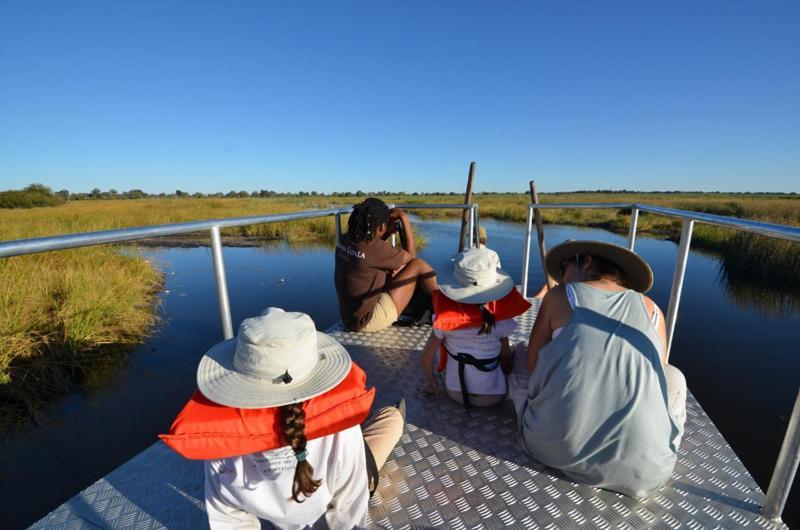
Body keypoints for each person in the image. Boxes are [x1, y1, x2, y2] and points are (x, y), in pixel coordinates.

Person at [161, 308, 404, 529]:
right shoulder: (341, 432)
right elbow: (348, 506)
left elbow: (228, 517)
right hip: (343, 465)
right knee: (389, 420)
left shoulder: (220, 441)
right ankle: (393, 413)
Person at [509, 240, 687, 498]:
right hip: (645, 471)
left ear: (586, 260)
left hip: (553, 448)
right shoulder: (652, 309)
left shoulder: (560, 295)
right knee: (673, 376)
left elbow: (534, 367)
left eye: (564, 268)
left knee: (521, 353)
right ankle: (653, 439)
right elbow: (655, 377)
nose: (560, 278)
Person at [420, 247, 531, 409]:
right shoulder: (501, 321)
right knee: (523, 348)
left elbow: (425, 358)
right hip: (494, 396)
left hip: (455, 393)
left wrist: (431, 383)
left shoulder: (442, 320)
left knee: (441, 343)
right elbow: (505, 358)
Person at [335, 198, 437, 332]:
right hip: (367, 321)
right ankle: (446, 305)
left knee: (396, 269)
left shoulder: (344, 239)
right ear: (381, 226)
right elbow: (411, 256)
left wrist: (387, 232)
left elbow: (367, 255)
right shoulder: (374, 249)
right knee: (419, 265)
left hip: (350, 317)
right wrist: (404, 218)